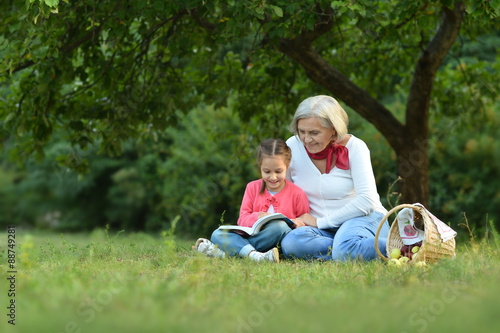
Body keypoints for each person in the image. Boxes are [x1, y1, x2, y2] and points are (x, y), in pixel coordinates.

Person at [280, 95, 390, 261]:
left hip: (362, 220)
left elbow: (367, 201)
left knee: (344, 248)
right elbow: (284, 192)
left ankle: (405, 247)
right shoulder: (292, 147)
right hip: (321, 230)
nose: (306, 139)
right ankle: (346, 248)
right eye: (302, 131)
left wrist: (320, 222)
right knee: (291, 244)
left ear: (333, 129)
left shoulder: (356, 147)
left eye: (314, 133)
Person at [194, 139, 310, 262]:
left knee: (280, 227)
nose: (273, 177)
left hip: (277, 240)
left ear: (287, 165)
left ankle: (231, 253)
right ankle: (255, 256)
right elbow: (242, 219)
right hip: (252, 236)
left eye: (278, 171)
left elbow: (305, 223)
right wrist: (257, 217)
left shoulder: (297, 193)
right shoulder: (252, 187)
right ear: (260, 166)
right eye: (267, 172)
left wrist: (297, 223)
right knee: (218, 234)